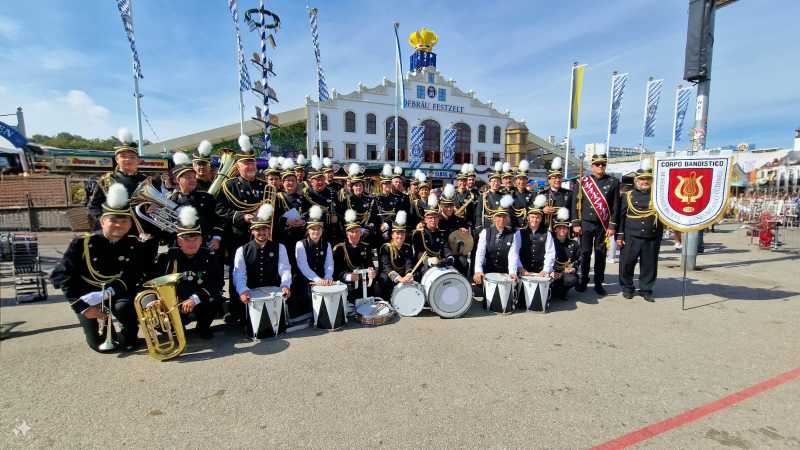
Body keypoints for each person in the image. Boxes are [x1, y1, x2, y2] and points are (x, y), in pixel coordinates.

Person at [51, 183, 154, 352]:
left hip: (116, 290)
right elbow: (61, 275)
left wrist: (109, 292)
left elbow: (135, 274)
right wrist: (81, 307)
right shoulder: (82, 243)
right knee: (100, 345)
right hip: (87, 295)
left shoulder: (134, 244)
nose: (119, 225)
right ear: (102, 221)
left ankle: (130, 335)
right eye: (113, 220)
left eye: (124, 220)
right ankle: (107, 332)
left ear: (130, 224)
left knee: (126, 309)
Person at [215, 135, 268, 326]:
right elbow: (220, 210)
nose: (250, 166)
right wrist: (241, 216)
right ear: (238, 166)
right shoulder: (228, 186)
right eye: (246, 163)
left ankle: (257, 309)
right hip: (238, 237)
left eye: (252, 162)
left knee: (257, 271)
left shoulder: (264, 186)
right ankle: (237, 311)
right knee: (238, 273)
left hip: (259, 237)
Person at [149, 206, 223, 339]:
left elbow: (217, 282)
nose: (191, 243)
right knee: (158, 316)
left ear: (201, 240)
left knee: (214, 300)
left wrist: (195, 298)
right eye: (186, 240)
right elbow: (155, 283)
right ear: (178, 241)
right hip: (174, 303)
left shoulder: (209, 256)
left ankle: (203, 327)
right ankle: (175, 327)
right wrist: (157, 301)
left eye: (195, 239)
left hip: (198, 300)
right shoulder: (167, 257)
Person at [571, 146, 620, 296]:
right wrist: (576, 223)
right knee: (585, 253)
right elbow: (575, 203)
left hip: (602, 224)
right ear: (592, 166)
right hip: (585, 223)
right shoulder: (583, 182)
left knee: (600, 254)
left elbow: (615, 206)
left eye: (603, 164)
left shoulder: (613, 182)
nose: (600, 167)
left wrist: (612, 225)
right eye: (597, 164)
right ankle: (583, 280)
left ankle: (598, 283)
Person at [87, 128, 161, 222]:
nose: (128, 160)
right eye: (123, 156)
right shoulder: (105, 181)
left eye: (132, 157)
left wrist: (156, 206)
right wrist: (104, 221)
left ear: (138, 160)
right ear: (117, 160)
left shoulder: (149, 181)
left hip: (145, 229)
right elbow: (93, 207)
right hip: (117, 229)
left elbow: (159, 203)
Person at [616, 160, 663, 302]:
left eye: (648, 179)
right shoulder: (627, 196)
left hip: (651, 235)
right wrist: (620, 235)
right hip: (631, 235)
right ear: (636, 180)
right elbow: (621, 217)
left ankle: (646, 289)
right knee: (627, 263)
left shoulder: (658, 196)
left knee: (649, 264)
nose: (645, 181)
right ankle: (627, 287)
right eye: (642, 179)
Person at [168, 151, 223, 252]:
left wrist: (216, 239)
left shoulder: (207, 198)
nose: (193, 180)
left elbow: (218, 221)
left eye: (193, 177)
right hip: (180, 247)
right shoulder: (171, 200)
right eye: (188, 177)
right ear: (178, 180)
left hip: (206, 245)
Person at [472, 194, 520, 297]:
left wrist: (512, 272)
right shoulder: (485, 232)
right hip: (488, 270)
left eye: (504, 217)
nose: (501, 220)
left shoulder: (513, 235)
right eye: (498, 217)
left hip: (504, 271)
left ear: (507, 219)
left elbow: (513, 256)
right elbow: (480, 253)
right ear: (493, 219)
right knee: (478, 292)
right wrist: (478, 271)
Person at [295, 205, 335, 317]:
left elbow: (329, 264)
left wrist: (328, 277)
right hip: (305, 281)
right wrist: (317, 280)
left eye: (318, 229)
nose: (316, 232)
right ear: (308, 230)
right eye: (313, 229)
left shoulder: (327, 244)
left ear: (322, 230)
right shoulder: (300, 244)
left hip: (322, 279)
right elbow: (303, 267)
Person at [333, 209, 376, 305]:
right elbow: (336, 271)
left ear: (360, 233)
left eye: (357, 231)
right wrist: (348, 276)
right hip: (348, 282)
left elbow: (370, 264)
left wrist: (372, 272)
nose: (355, 234)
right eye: (351, 232)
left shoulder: (365, 246)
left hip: (363, 281)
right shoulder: (340, 248)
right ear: (347, 233)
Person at [376, 210, 416, 300]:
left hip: (403, 275)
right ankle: (386, 299)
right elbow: (387, 267)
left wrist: (408, 274)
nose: (400, 236)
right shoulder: (385, 247)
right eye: (397, 233)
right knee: (384, 278)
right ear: (392, 235)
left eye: (402, 233)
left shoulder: (407, 247)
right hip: (390, 276)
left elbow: (408, 263)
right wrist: (399, 278)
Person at [339, 163, 381, 247]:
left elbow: (374, 218)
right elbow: (342, 218)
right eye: (356, 185)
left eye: (360, 185)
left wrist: (367, 229)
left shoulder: (370, 200)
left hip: (366, 234)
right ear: (352, 187)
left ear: (363, 186)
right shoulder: (346, 200)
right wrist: (356, 230)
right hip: (351, 235)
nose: (358, 188)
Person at [411, 193, 451, 276]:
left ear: (438, 219)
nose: (433, 220)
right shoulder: (418, 234)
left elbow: (445, 247)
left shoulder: (441, 233)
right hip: (424, 264)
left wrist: (450, 257)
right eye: (430, 218)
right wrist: (429, 260)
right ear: (425, 220)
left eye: (435, 217)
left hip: (439, 262)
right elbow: (419, 253)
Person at [302, 160, 340, 241]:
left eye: (322, 179)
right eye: (317, 180)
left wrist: (337, 217)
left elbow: (340, 210)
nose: (320, 182)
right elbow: (302, 213)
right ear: (311, 182)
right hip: (312, 232)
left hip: (329, 231)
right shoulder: (306, 193)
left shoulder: (332, 192)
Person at [517, 198, 555, 276]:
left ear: (541, 219)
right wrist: (520, 267)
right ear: (528, 218)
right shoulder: (520, 232)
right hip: (523, 270)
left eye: (538, 217)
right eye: (532, 217)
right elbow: (515, 253)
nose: (535, 220)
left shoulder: (547, 234)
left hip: (541, 271)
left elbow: (550, 254)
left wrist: (545, 270)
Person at [551, 208, 580, 301]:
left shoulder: (573, 243)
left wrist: (573, 267)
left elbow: (580, 258)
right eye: (559, 227)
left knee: (572, 279)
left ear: (568, 230)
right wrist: (551, 271)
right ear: (555, 230)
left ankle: (563, 291)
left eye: (565, 228)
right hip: (552, 271)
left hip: (566, 272)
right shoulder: (550, 243)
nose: (562, 230)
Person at [538, 157, 574, 230]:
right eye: (554, 178)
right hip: (547, 229)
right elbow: (535, 211)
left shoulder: (569, 193)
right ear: (549, 180)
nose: (557, 180)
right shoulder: (542, 194)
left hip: (563, 229)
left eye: (559, 177)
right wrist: (543, 210)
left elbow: (573, 212)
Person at [376, 163, 405, 242]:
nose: (387, 185)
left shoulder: (397, 199)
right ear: (381, 185)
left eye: (389, 183)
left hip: (393, 231)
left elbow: (399, 216)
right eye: (385, 184)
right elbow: (373, 216)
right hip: (378, 231)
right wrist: (379, 226)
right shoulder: (375, 198)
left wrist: (388, 224)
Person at [474, 162, 506, 230]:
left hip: (499, 225)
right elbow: (479, 214)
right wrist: (478, 226)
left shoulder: (503, 196)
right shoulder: (483, 196)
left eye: (498, 181)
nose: (496, 183)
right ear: (489, 183)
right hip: (486, 226)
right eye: (493, 181)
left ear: (500, 183)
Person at [511, 160, 533, 228]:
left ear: (527, 180)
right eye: (519, 179)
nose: (522, 181)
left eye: (524, 179)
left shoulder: (532, 195)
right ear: (516, 180)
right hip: (514, 226)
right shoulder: (511, 195)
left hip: (528, 226)